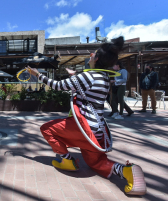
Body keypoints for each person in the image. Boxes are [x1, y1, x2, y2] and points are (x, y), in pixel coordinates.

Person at [27, 37, 146, 196]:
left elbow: (58, 86)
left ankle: (67, 160)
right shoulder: (103, 77)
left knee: (47, 129)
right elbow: (86, 87)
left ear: (96, 59)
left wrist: (37, 75)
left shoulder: (87, 76)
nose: (90, 55)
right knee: (96, 163)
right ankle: (126, 171)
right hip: (96, 129)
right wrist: (75, 75)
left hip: (83, 126)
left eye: (93, 54)